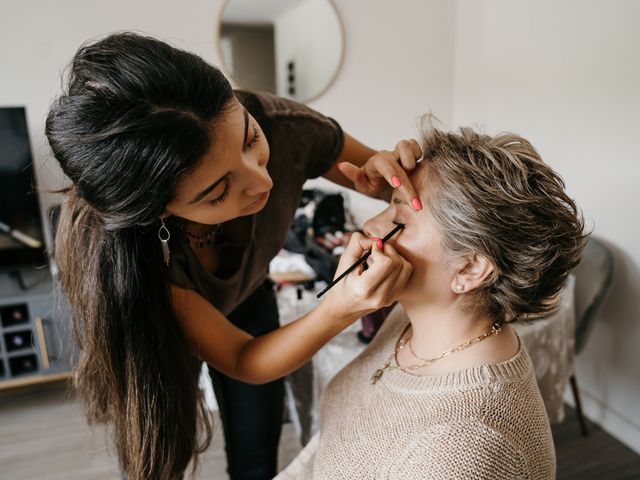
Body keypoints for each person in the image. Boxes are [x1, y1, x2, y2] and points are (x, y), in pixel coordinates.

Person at [45, 32, 418, 480]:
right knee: (160, 463)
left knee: (256, 460)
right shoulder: (131, 259)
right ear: (159, 211)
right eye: (217, 191)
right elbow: (243, 358)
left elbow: (377, 170)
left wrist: (385, 177)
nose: (262, 182)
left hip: (249, 296)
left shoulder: (287, 128)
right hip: (156, 330)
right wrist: (341, 307)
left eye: (250, 140)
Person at [276, 118, 588, 479]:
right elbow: (333, 444)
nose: (371, 228)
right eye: (388, 204)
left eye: (400, 222)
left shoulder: (462, 448)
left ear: (470, 268)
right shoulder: (410, 321)